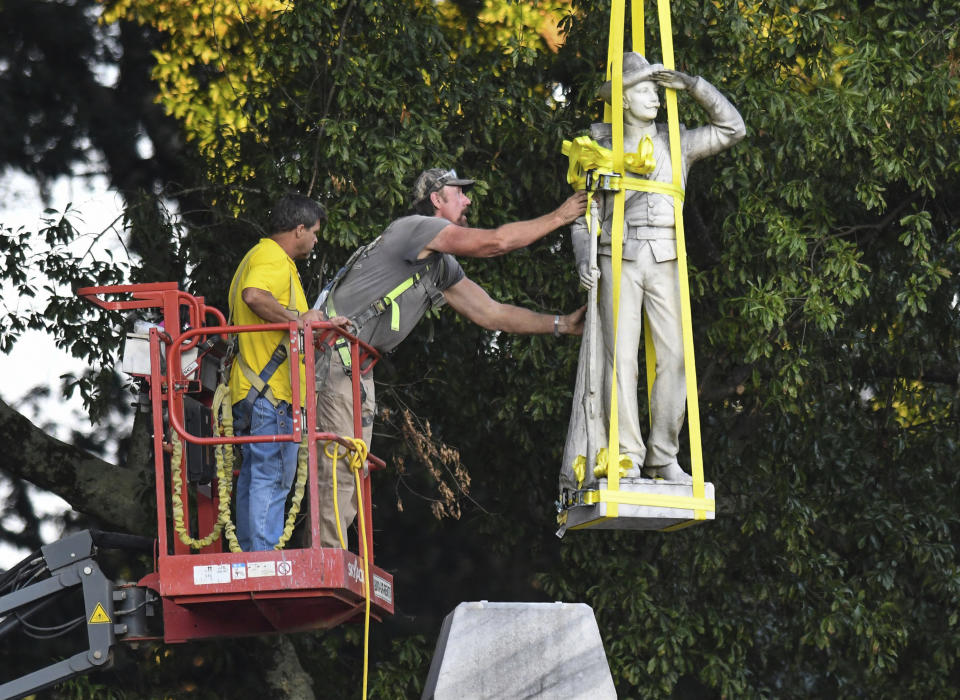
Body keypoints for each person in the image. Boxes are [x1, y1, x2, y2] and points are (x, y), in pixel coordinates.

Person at [314, 168, 588, 546]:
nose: (468, 200)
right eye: (460, 193)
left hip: (355, 367)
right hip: (334, 356)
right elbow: (495, 243)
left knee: (351, 464)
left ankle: (335, 553)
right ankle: (329, 557)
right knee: (339, 464)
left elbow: (492, 314)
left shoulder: (440, 265)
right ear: (436, 200)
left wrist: (562, 324)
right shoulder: (416, 228)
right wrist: (559, 217)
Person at [562, 52, 746, 488]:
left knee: (677, 359)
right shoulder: (600, 146)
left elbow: (733, 128)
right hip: (617, 256)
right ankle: (626, 455)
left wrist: (695, 85)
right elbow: (582, 214)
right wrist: (583, 253)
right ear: (624, 98)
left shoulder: (676, 142)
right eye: (645, 90)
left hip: (665, 256)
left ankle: (664, 456)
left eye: (656, 91)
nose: (656, 99)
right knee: (620, 359)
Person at [228, 194, 345, 551]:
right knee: (273, 476)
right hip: (272, 393)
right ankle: (261, 560)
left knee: (255, 476)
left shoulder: (255, 256)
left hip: (250, 389)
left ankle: (252, 557)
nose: (316, 239)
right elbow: (254, 296)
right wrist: (299, 322)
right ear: (298, 229)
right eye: (314, 232)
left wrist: (304, 322)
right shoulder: (272, 258)